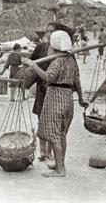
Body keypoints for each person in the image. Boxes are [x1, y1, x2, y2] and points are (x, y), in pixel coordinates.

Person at [22, 30, 88, 177]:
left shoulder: (57, 61)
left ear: (54, 47)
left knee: (55, 135)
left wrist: (33, 65)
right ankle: (60, 164)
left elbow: (47, 77)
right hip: (68, 99)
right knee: (62, 134)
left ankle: (60, 170)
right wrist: (82, 99)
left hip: (56, 98)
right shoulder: (71, 60)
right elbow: (77, 81)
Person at [21, 22, 75, 162]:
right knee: (41, 119)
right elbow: (31, 65)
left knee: (54, 124)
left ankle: (50, 152)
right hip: (42, 88)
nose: (48, 34)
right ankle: (43, 151)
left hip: (56, 91)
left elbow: (74, 74)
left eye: (51, 31)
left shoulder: (65, 52)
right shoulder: (41, 48)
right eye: (47, 31)